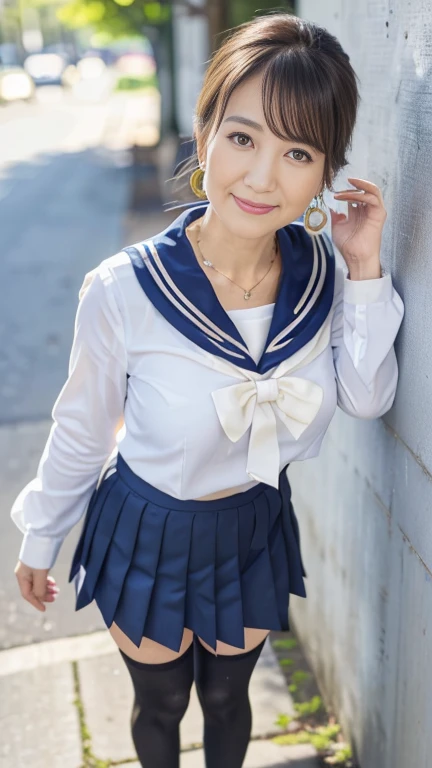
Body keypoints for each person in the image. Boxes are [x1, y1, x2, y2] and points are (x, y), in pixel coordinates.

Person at [11, 12, 404, 768]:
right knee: (159, 704)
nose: (262, 177)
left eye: (298, 152)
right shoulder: (126, 289)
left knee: (229, 701)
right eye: (244, 137)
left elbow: (365, 395)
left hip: (250, 530)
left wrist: (363, 268)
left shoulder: (322, 277)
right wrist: (41, 533)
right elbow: (85, 428)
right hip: (147, 528)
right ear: (205, 131)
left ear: (327, 173)